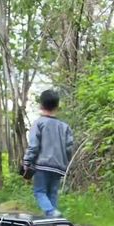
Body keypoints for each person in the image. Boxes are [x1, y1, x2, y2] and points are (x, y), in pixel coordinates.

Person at [22, 89, 74, 218]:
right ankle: (52, 221)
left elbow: (34, 146)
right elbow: (69, 148)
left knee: (40, 191)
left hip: (42, 165)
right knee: (53, 193)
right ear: (57, 107)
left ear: (41, 105)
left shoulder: (39, 123)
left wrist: (27, 161)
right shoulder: (64, 126)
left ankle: (50, 212)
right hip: (59, 166)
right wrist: (65, 161)